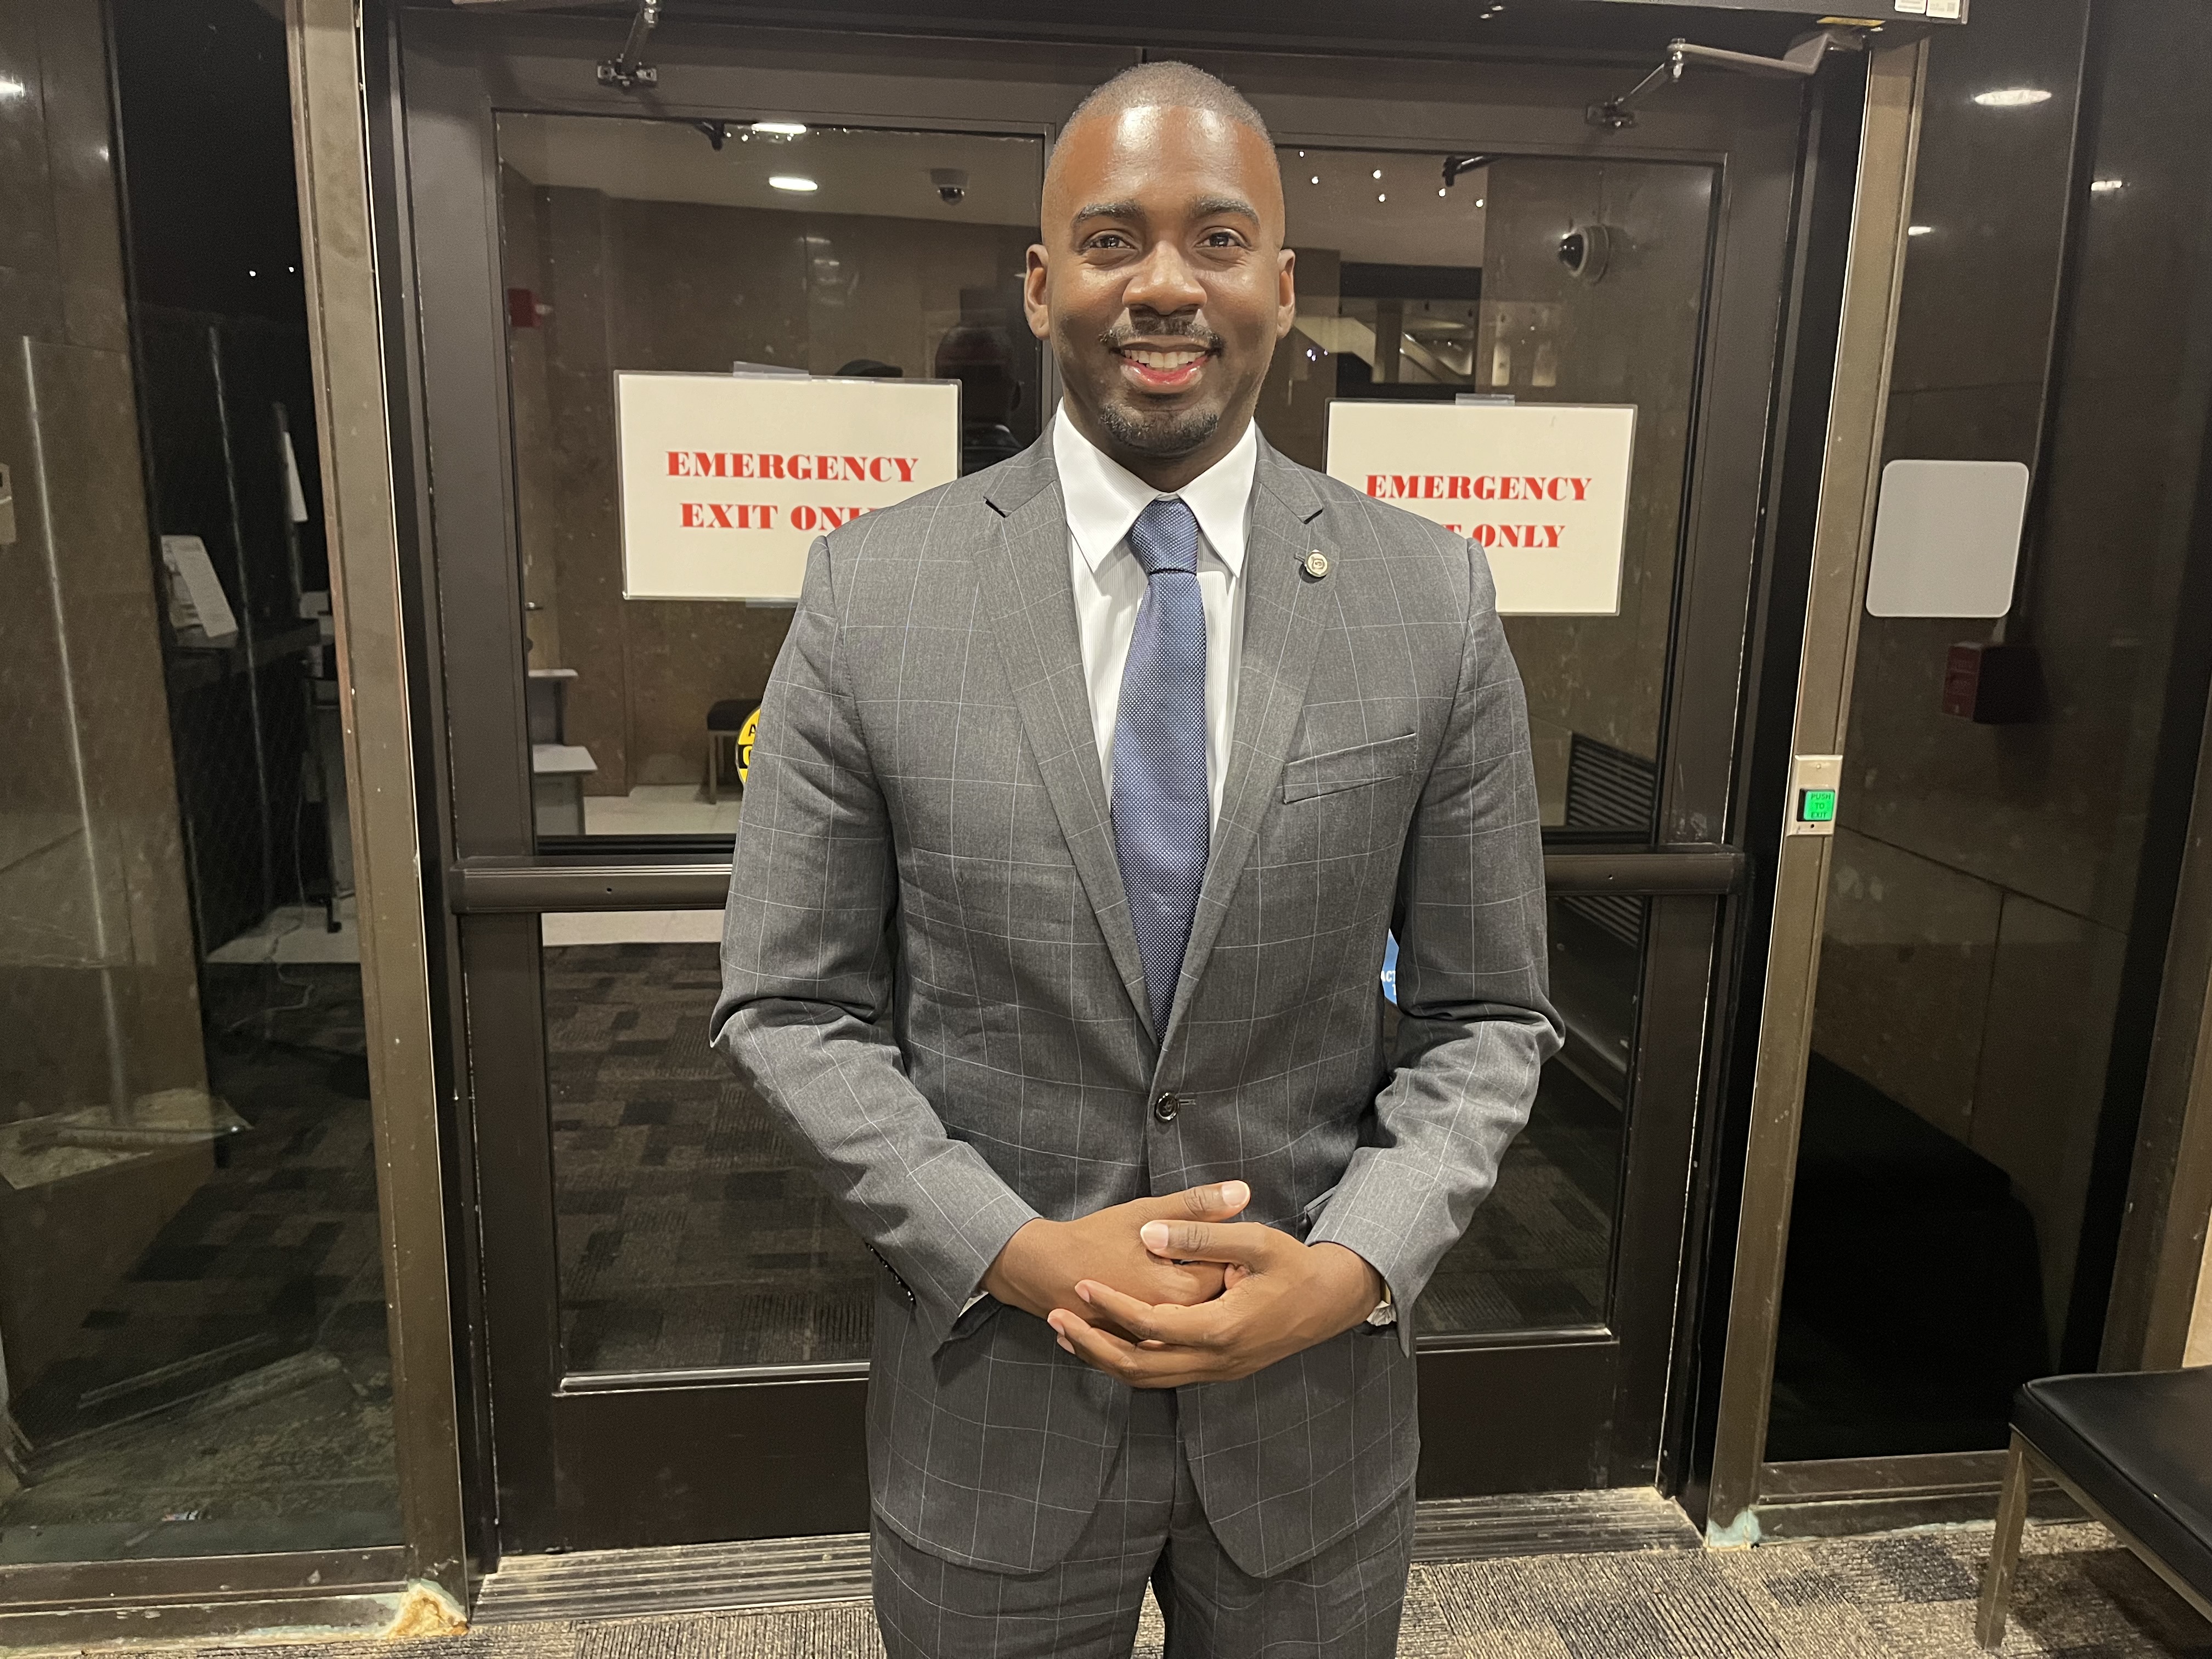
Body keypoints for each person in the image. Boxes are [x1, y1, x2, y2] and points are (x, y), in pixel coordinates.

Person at [712, 59, 1560, 1659]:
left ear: (1283, 287)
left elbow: (1489, 1016)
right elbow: (789, 1009)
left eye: (1218, 239)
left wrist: (1352, 1271)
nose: (1164, 283)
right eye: (1111, 238)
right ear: (1042, 284)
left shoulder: (1429, 600)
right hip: (994, 1426)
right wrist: (1012, 1253)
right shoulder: (873, 597)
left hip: (1313, 1436)